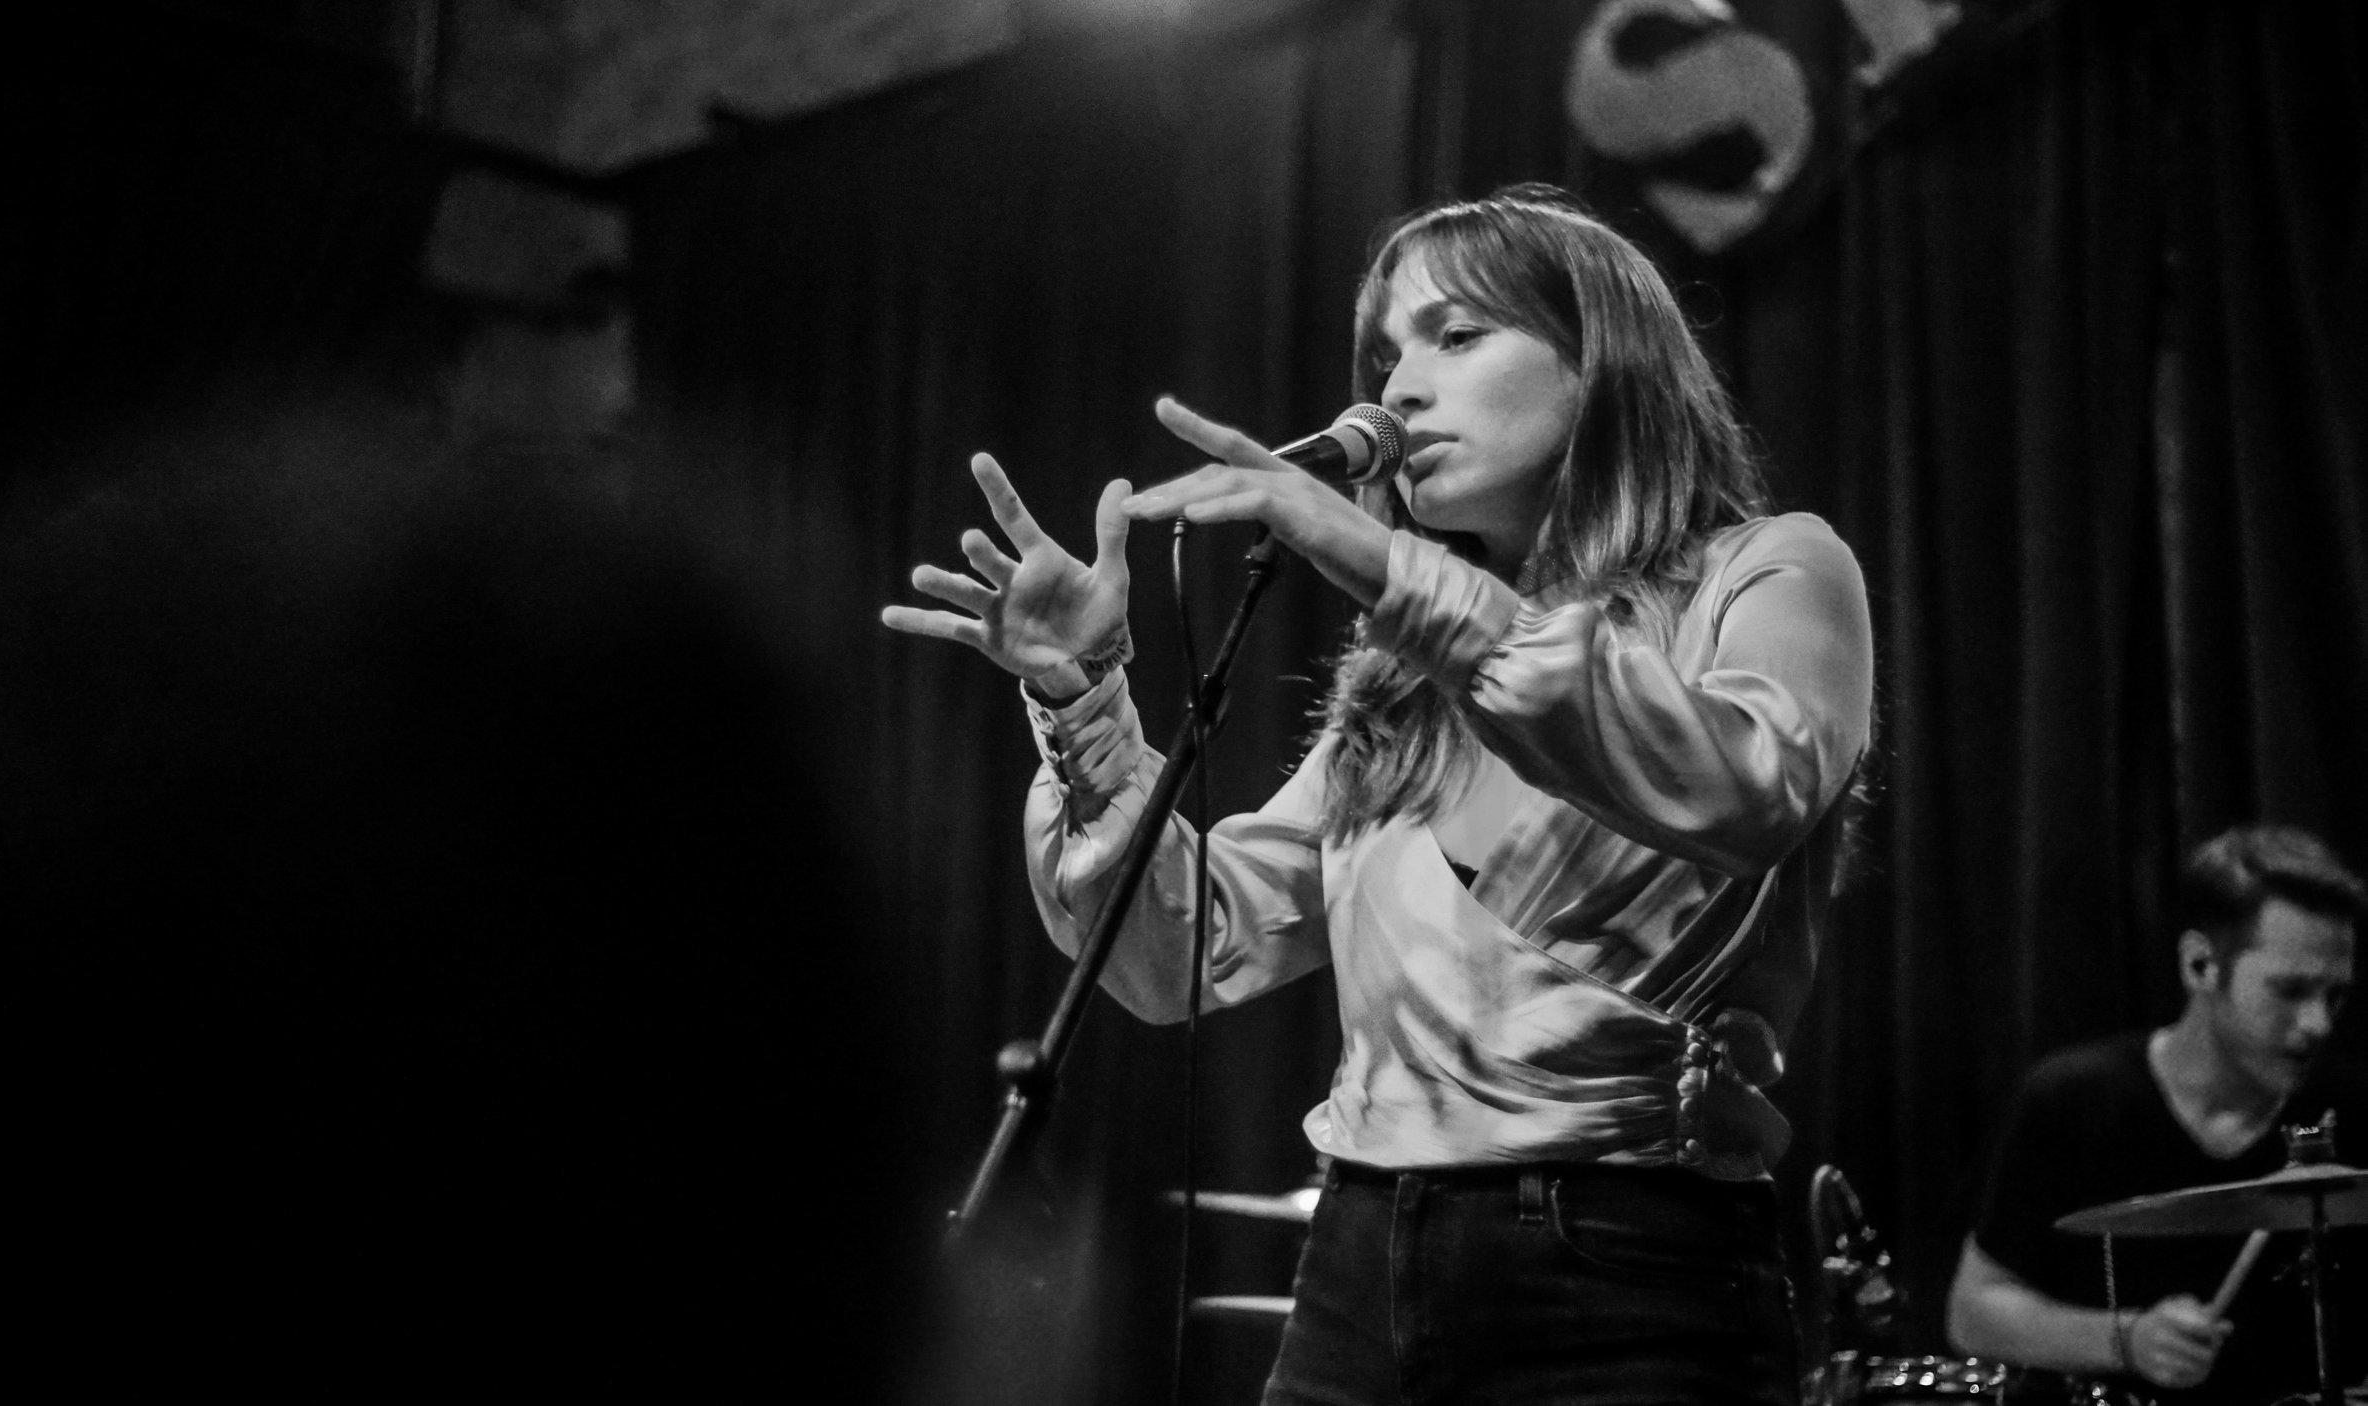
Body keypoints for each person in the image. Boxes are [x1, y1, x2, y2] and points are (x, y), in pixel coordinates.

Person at [884, 183, 1874, 1404]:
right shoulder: (1404, 687)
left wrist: (1383, 567)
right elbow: (1189, 946)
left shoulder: (1769, 569)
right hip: (1357, 1259)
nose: (1393, 390)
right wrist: (1085, 700)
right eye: (1387, 352)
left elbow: (1740, 789)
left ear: (1601, 365)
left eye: (1455, 337)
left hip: (1623, 1267)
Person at [1946, 823, 2365, 1406]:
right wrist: (2127, 1339)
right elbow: (1974, 1312)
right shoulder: (2072, 1101)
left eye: (2335, 996)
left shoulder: (2349, 1106)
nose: (2318, 1023)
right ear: (2199, 965)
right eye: (2290, 990)